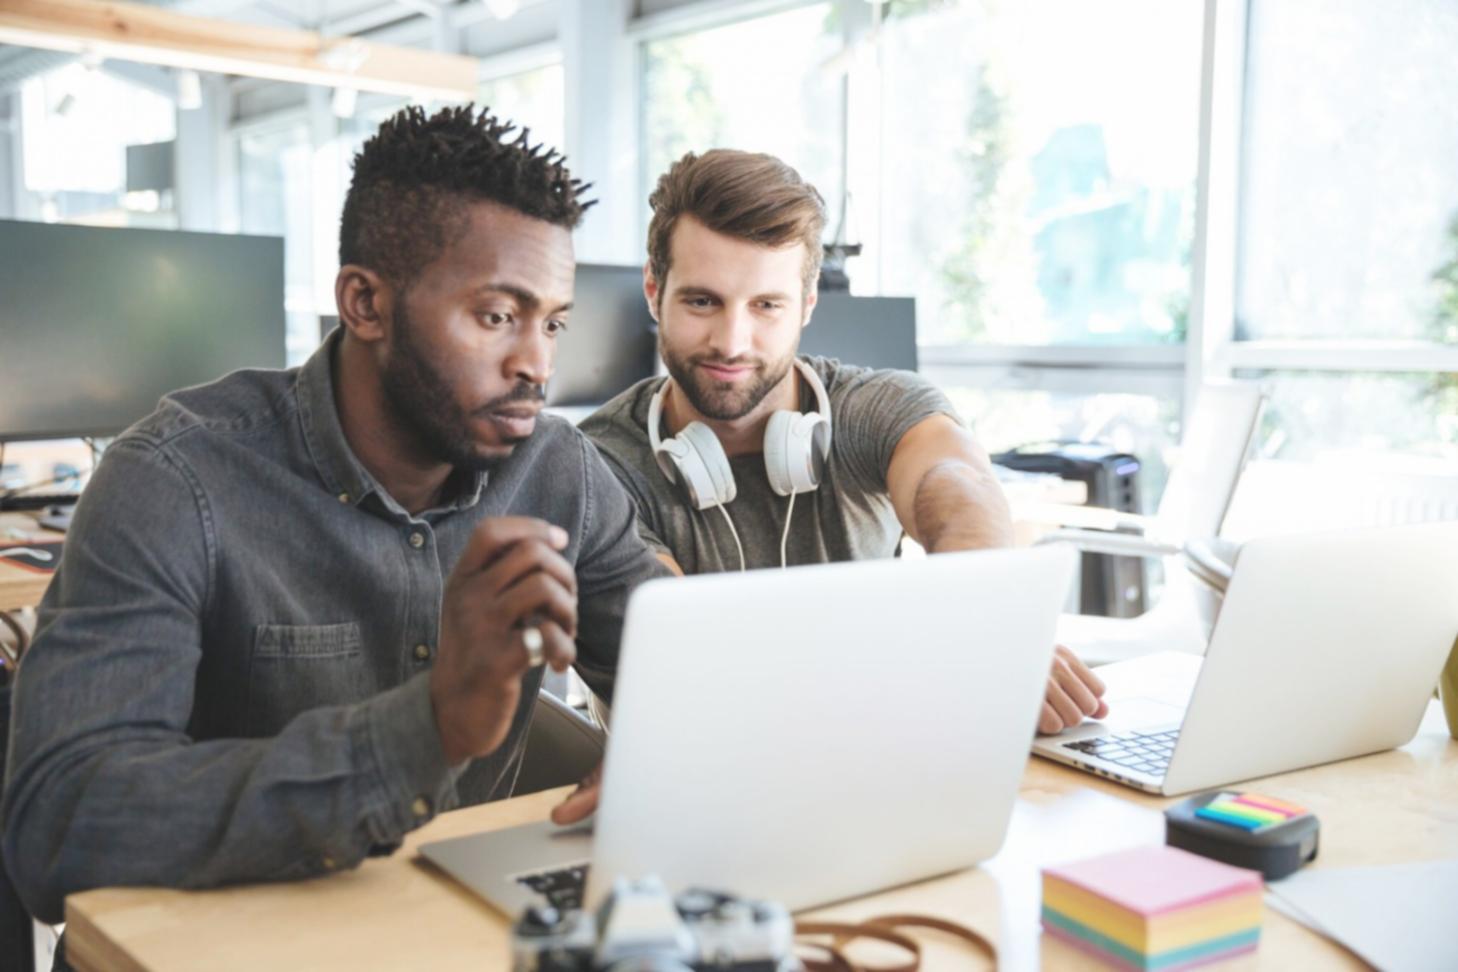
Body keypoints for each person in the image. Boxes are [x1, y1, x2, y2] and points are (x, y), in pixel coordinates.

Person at [2, 105, 666, 925]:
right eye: (497, 316)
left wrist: (677, 763)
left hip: (448, 930)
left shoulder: (557, 468)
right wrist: (425, 729)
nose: (537, 364)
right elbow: (58, 831)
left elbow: (681, 667)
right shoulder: (173, 481)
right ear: (364, 302)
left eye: (552, 322)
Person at [578, 148, 1108, 749]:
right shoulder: (597, 462)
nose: (732, 341)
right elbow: (690, 661)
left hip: (876, 755)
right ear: (654, 291)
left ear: (805, 305)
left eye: (766, 306)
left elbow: (957, 486)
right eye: (703, 301)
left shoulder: (875, 408)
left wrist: (995, 625)